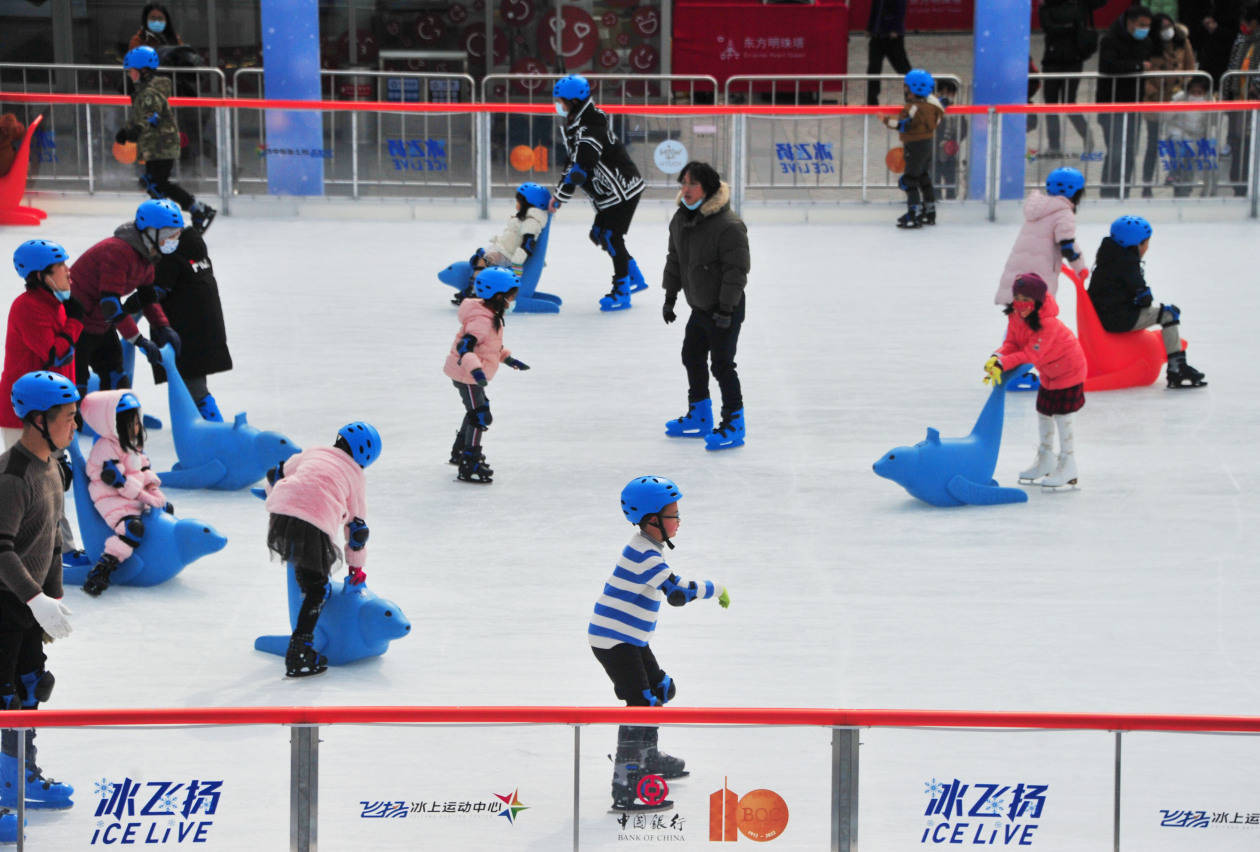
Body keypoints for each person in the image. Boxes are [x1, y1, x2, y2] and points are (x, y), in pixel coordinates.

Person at [589, 476, 729, 812]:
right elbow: (677, 593)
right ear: (653, 520)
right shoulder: (644, 554)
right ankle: (626, 784)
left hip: (628, 637)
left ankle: (647, 758)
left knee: (660, 689)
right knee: (640, 702)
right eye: (673, 515)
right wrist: (715, 588)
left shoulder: (648, 547)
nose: (678, 521)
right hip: (614, 639)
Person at [0, 371, 77, 812]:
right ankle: (2, 795)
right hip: (4, 603)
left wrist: (55, 596)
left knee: (32, 688)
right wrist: (35, 598)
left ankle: (20, 777)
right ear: (37, 420)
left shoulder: (51, 467)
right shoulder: (12, 477)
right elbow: (1, 549)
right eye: (67, 417)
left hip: (28, 604)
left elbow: (51, 539)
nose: (74, 425)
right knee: (3, 698)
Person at [264, 422, 381, 678]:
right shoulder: (354, 476)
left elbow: (278, 471)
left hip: (282, 513)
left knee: (306, 573)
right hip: (314, 520)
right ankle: (300, 650)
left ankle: (302, 623)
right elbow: (357, 529)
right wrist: (355, 567)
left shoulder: (314, 452)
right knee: (318, 589)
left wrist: (273, 493)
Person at [2, 241, 88, 568]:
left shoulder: (56, 305)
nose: (68, 271)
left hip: (51, 412)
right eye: (60, 267)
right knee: (36, 488)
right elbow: (55, 354)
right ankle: (55, 553)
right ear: (42, 276)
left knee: (52, 482)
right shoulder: (27, 307)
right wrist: (75, 323)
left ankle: (58, 550)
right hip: (25, 414)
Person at [661, 162, 750, 452]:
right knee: (691, 356)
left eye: (693, 184)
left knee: (723, 365)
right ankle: (700, 415)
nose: (685, 190)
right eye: (683, 183)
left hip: (725, 309)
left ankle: (734, 423)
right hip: (699, 306)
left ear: (708, 188)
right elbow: (675, 259)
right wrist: (670, 296)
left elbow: (736, 272)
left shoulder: (729, 226)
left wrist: (725, 310)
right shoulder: (681, 220)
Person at [551, 74, 647, 312]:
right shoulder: (579, 123)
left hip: (621, 192)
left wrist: (560, 197)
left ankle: (622, 290)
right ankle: (634, 276)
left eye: (561, 101)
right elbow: (573, 161)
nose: (559, 106)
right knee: (599, 234)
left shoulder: (589, 128)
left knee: (610, 237)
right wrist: (559, 193)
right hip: (610, 193)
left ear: (574, 101)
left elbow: (580, 168)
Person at [69, 198, 183, 398]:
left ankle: (112, 423)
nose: (172, 240)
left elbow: (148, 298)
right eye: (167, 234)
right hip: (75, 321)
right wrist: (140, 341)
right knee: (76, 384)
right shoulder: (119, 252)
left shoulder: (148, 256)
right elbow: (110, 305)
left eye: (176, 235)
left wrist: (164, 327)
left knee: (117, 379)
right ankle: (72, 425)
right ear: (148, 231)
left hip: (99, 322)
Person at [985, 274, 1087, 489]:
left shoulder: (1046, 323)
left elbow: (1031, 355)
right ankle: (1046, 459)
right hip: (1049, 373)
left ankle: (1068, 464)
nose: (1021, 304)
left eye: (1027, 299)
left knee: (1062, 415)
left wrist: (1004, 362)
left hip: (1069, 370)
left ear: (1038, 300)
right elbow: (1011, 343)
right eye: (1017, 297)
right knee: (1043, 412)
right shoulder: (1015, 316)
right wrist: (997, 357)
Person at [1088, 215, 1207, 388]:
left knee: (1164, 312)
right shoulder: (1128, 264)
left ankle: (1176, 364)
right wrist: (1144, 296)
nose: (1147, 247)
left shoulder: (1107, 258)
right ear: (1137, 244)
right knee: (1169, 314)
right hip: (1118, 319)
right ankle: (1177, 368)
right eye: (1146, 243)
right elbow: (1144, 299)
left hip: (1104, 315)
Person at [131, 228, 233, 421]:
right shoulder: (192, 249)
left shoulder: (170, 258)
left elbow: (152, 295)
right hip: (203, 327)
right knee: (192, 378)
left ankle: (215, 426)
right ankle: (199, 422)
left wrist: (123, 311)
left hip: (184, 331)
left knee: (191, 383)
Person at [79, 390, 170, 596]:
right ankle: (104, 567)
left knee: (165, 509)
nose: (136, 428)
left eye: (137, 423)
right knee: (132, 528)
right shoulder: (106, 448)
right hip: (110, 497)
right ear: (114, 423)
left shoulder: (131, 443)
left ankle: (155, 552)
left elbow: (143, 468)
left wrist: (153, 488)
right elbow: (119, 483)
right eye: (131, 424)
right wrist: (147, 497)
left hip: (131, 493)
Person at [115, 46, 215, 233]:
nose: (129, 75)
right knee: (152, 182)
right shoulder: (142, 91)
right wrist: (126, 130)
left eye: (132, 71)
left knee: (157, 183)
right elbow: (139, 116)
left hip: (162, 145)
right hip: (155, 145)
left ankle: (190, 212)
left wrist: (135, 130)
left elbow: (150, 116)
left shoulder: (151, 92)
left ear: (143, 71)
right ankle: (184, 212)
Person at [443, 267, 529, 484]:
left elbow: (489, 348)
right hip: (467, 375)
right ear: (498, 295)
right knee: (480, 414)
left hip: (470, 373)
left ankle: (461, 451)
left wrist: (509, 359)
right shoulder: (481, 320)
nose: (513, 300)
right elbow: (465, 348)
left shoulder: (489, 315)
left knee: (474, 411)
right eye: (511, 295)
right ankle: (469, 463)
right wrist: (476, 371)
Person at [994, 167, 1089, 305]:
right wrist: (1080, 268)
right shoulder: (1063, 213)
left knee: (1018, 312)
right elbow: (1068, 246)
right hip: (1039, 275)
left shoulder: (1039, 207)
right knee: (1036, 316)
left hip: (1018, 272)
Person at [452, 182, 551, 305]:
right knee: (481, 257)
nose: (516, 204)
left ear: (528, 204)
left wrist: (517, 263)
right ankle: (475, 288)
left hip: (509, 255)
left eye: (519, 201)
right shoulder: (528, 218)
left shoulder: (531, 222)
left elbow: (527, 244)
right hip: (504, 250)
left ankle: (475, 291)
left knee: (485, 260)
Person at [1097, 6, 1155, 197]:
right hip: (1112, 104)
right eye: (1141, 25)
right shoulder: (1110, 39)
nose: (1145, 29)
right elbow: (1108, 65)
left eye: (1148, 25)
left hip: (1134, 103)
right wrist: (1138, 66)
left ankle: (1124, 190)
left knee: (1130, 150)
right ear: (1130, 22)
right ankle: (1109, 190)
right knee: (1115, 150)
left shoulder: (1145, 41)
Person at [1038, 0, 1106, 154]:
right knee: (1050, 104)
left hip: (1073, 58)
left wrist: (1070, 27)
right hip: (1052, 60)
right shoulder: (1047, 7)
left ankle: (1086, 134)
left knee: (1069, 102)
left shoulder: (1080, 3)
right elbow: (1048, 28)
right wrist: (1072, 26)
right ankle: (1054, 145)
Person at [1141, 15, 1198, 196]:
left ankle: (1178, 180)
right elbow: (1145, 75)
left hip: (1179, 101)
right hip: (1156, 102)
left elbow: (1190, 68)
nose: (1168, 30)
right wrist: (1151, 92)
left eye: (1170, 25)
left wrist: (1185, 89)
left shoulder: (1182, 41)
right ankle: (1146, 185)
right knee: (1153, 145)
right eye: (1163, 27)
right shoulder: (1149, 45)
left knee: (1179, 142)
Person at [883, 69, 945, 228]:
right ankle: (929, 212)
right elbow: (938, 116)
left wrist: (884, 119)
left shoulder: (913, 108)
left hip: (914, 146)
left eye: (906, 87)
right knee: (923, 177)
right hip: (927, 144)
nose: (905, 90)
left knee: (908, 180)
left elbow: (902, 125)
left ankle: (914, 214)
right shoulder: (934, 107)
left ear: (912, 89)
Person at [1223, 4, 1260, 196]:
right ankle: (1238, 183)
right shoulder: (1241, 40)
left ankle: (1253, 184)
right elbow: (1232, 66)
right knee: (1238, 143)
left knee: (1253, 144)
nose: (1243, 25)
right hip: (1239, 102)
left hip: (1256, 104)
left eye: (1246, 20)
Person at [1166, 76, 1213, 194]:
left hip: (1196, 138)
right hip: (1177, 133)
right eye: (1193, 92)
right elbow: (1165, 116)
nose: (1196, 95)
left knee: (1189, 167)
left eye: (1199, 93)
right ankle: (1173, 174)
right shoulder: (1180, 98)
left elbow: (1213, 122)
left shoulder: (1210, 101)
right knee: (1178, 147)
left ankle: (1184, 192)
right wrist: (1176, 107)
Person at [865, 0, 913, 105]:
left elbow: (901, 8)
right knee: (873, 68)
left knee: (903, 68)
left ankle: (912, 97)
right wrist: (870, 27)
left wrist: (896, 28)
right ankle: (872, 100)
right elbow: (874, 9)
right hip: (877, 36)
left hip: (892, 37)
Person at [933, 79, 966, 199]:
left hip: (950, 151)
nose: (946, 96)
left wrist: (955, 140)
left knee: (950, 176)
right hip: (934, 151)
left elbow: (963, 128)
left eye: (950, 93)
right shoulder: (932, 110)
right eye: (942, 93)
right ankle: (935, 197)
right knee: (934, 176)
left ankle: (951, 197)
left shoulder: (956, 110)